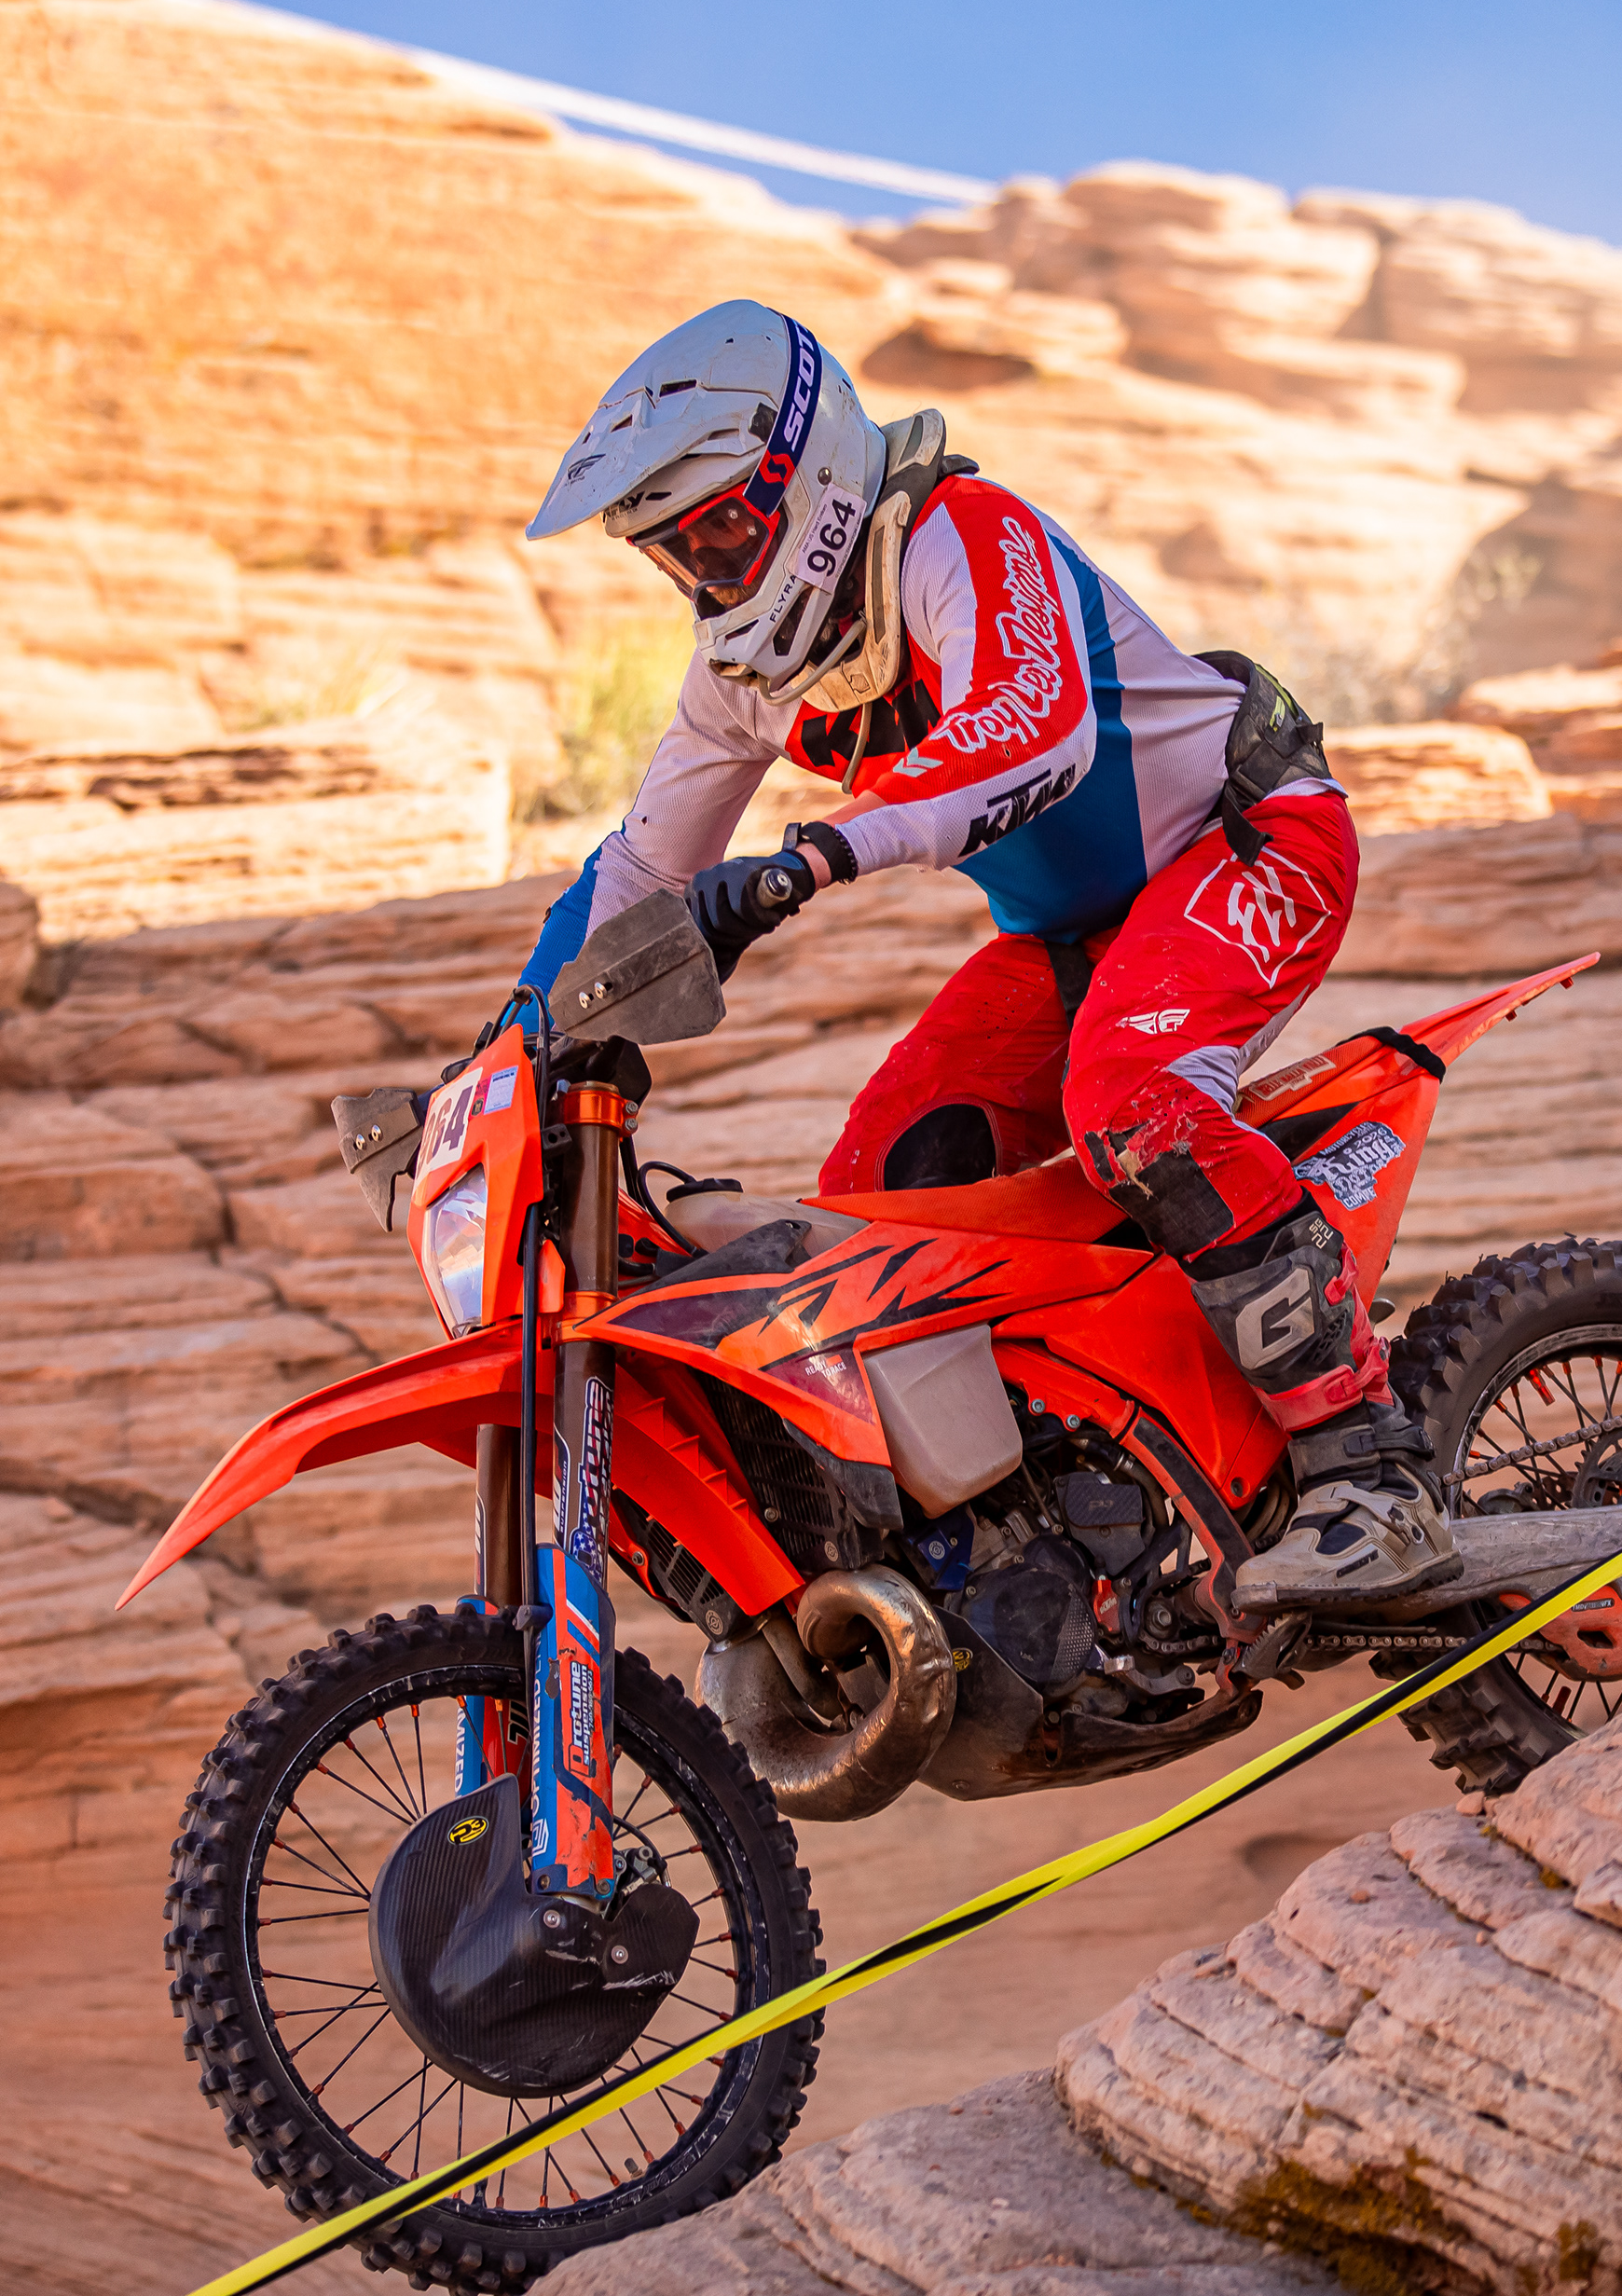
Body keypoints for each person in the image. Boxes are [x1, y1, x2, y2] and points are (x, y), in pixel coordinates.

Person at [515, 300, 1459, 1610]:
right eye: (678, 554)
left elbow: (1034, 726)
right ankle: (1031, 1539)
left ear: (805, 476)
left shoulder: (959, 535)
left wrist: (814, 857)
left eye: (723, 530)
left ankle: (1374, 1469)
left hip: (1248, 844)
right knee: (868, 1205)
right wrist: (514, 1046)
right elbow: (638, 873)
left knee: (1135, 1103)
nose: (709, 574)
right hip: (1075, 942)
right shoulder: (741, 680)